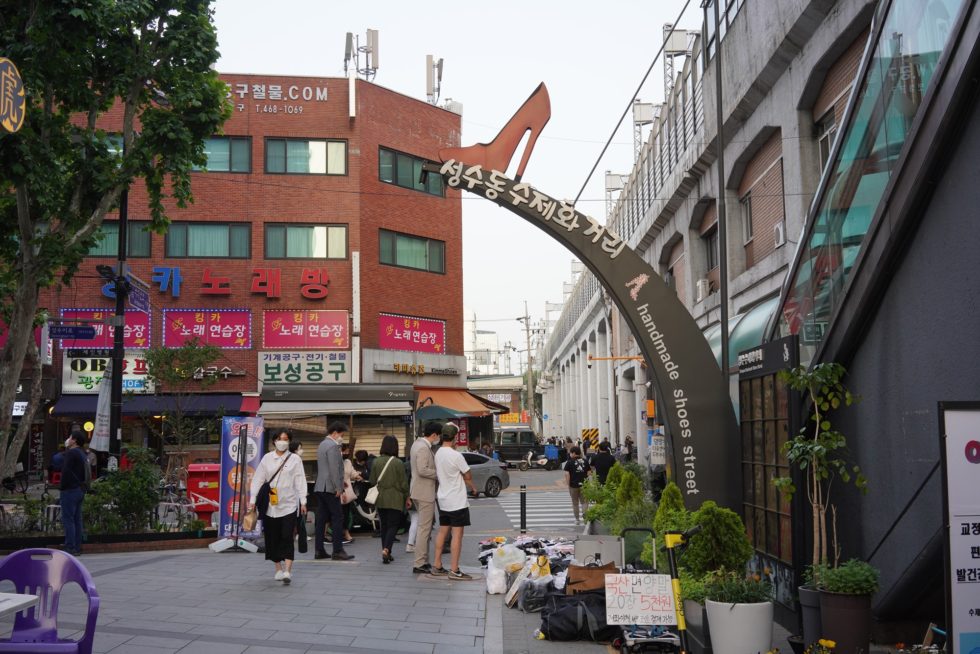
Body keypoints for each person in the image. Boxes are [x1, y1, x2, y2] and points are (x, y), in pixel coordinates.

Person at [248, 429, 306, 583]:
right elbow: (258, 479)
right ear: (274, 441)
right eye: (280, 439)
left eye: (286, 439)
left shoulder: (295, 459)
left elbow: (300, 480)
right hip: (270, 505)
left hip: (289, 504)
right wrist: (252, 500)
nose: (283, 442)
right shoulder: (267, 458)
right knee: (272, 538)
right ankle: (278, 569)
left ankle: (287, 570)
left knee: (287, 536)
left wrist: (303, 501)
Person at [431, 423, 477, 580]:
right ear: (455, 437)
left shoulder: (437, 454)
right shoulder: (456, 455)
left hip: (443, 499)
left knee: (442, 531)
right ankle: (454, 569)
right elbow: (468, 475)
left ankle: (437, 565)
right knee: (457, 534)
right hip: (456, 501)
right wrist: (473, 487)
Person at [313, 422, 354, 561]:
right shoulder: (333, 446)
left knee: (322, 519)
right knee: (338, 518)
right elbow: (334, 468)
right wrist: (338, 487)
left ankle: (319, 550)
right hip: (330, 488)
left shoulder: (322, 444)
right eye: (341, 435)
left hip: (320, 486)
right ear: (335, 432)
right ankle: (337, 550)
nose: (341, 438)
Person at [369, 435, 410, 564]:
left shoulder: (376, 462)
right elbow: (403, 483)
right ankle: (387, 549)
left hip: (380, 498)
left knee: (384, 526)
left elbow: (372, 480)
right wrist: (407, 496)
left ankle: (386, 551)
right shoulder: (398, 463)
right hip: (395, 498)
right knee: (393, 525)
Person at [409, 421, 441, 573]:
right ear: (434, 435)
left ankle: (423, 560)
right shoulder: (423, 447)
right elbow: (422, 470)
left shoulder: (417, 444)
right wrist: (439, 474)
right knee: (424, 528)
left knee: (425, 527)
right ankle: (419, 563)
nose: (438, 439)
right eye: (438, 436)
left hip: (418, 490)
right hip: (424, 492)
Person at [59, 431, 88, 556]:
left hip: (70, 490)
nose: (68, 439)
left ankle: (69, 546)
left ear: (74, 440)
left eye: (70, 437)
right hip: (80, 489)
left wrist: (62, 487)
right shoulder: (82, 453)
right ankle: (77, 546)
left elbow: (65, 472)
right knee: (77, 519)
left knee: (68, 519)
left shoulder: (71, 453)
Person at [563, 446, 590, 525]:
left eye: (571, 453)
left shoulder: (569, 462)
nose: (570, 454)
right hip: (584, 485)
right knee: (584, 502)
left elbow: (567, 474)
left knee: (575, 503)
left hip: (573, 485)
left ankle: (577, 520)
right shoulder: (585, 461)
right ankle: (585, 518)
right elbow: (589, 473)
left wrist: (568, 485)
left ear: (574, 453)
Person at [340, 442, 358, 544]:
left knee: (346, 513)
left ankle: (346, 533)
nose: (347, 453)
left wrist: (357, 475)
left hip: (347, 490)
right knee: (338, 514)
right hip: (337, 490)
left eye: (348, 451)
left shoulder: (348, 462)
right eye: (345, 451)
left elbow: (352, 472)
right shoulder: (335, 461)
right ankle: (340, 534)